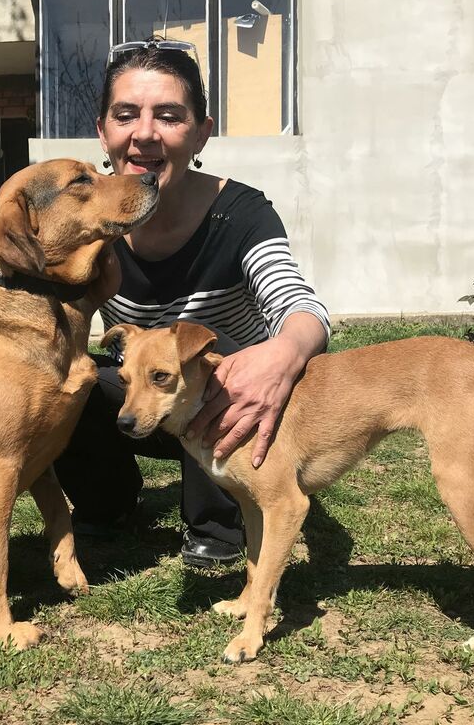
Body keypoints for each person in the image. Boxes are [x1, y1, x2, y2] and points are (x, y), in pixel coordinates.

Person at [53, 38, 330, 566]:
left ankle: (217, 524)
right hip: (144, 402)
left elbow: (297, 304)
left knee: (214, 353)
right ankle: (107, 505)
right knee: (70, 378)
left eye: (169, 116)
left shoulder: (241, 214)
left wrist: (284, 354)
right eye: (125, 115)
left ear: (202, 132)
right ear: (103, 132)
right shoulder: (90, 222)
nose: (144, 133)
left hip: (235, 404)